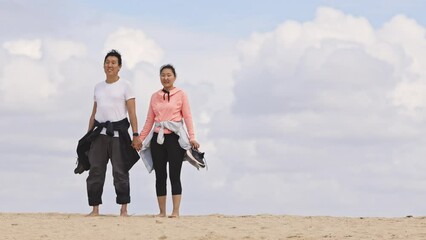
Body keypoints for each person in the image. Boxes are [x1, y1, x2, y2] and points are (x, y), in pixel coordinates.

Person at [80, 49, 141, 216]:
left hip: (118, 135)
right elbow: (94, 113)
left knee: (120, 171)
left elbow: (132, 113)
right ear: (103, 65)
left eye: (114, 63)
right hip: (98, 135)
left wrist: (136, 135)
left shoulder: (126, 86)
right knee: (96, 171)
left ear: (119, 66)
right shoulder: (98, 87)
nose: (110, 65)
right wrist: (88, 136)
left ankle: (123, 209)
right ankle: (95, 208)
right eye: (107, 62)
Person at [136, 64, 200, 218]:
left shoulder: (181, 94)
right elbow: (149, 121)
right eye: (163, 75)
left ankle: (175, 211)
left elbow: (188, 117)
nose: (166, 78)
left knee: (174, 174)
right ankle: (162, 211)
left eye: (169, 75)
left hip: (175, 138)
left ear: (174, 77)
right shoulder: (154, 96)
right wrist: (140, 139)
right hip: (158, 138)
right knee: (160, 176)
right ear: (160, 77)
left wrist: (192, 137)